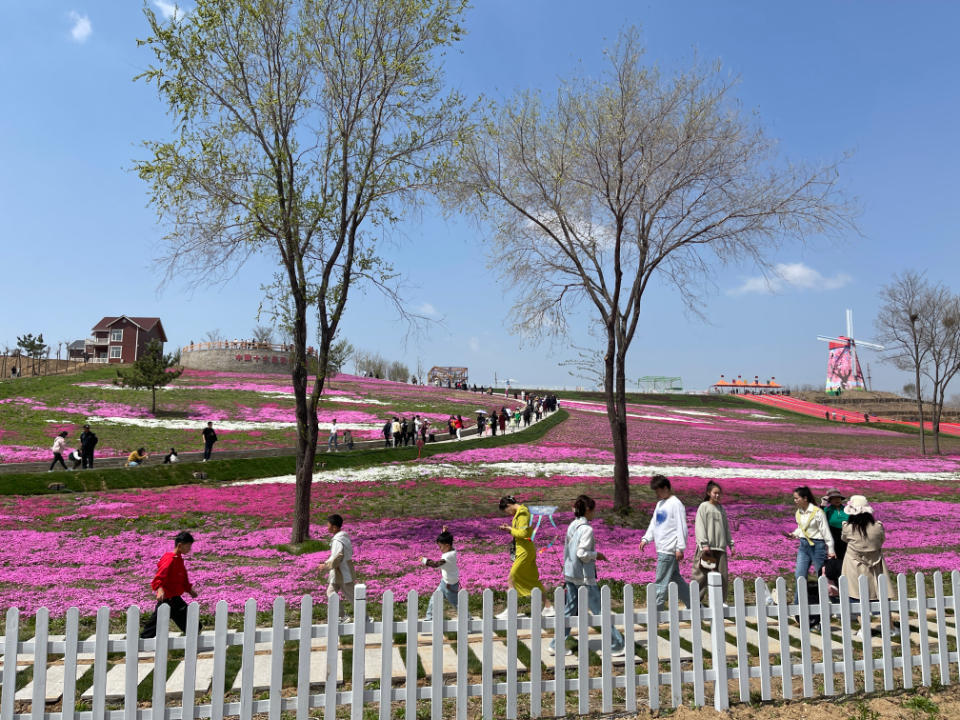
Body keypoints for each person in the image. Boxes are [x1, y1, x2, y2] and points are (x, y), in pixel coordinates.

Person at [549, 495, 626, 657]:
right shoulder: (587, 529)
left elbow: (569, 551)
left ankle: (556, 643)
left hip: (570, 574)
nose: (595, 513)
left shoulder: (572, 526)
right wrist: (597, 555)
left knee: (569, 610)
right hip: (584, 578)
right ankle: (618, 643)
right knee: (600, 610)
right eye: (594, 510)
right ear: (588, 510)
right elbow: (582, 554)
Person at [841, 495, 893, 638]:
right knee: (881, 596)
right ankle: (891, 627)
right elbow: (882, 540)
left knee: (855, 596)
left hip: (854, 566)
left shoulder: (848, 528)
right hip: (875, 565)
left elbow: (844, 539)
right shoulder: (878, 527)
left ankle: (864, 628)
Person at [496, 496, 555, 618]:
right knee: (533, 581)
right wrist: (510, 528)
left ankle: (511, 610)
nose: (507, 513)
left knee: (511, 578)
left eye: (506, 511)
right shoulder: (520, 512)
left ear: (508, 505)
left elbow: (523, 533)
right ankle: (549, 607)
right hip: (524, 549)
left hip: (524, 551)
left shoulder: (522, 513)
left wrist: (509, 529)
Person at [640, 475, 691, 611]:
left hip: (669, 550)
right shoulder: (660, 504)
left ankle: (656, 611)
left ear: (665, 488)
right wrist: (646, 538)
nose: (656, 494)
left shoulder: (676, 504)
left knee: (660, 582)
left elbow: (682, 527)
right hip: (662, 548)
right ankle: (695, 606)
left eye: (658, 490)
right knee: (677, 581)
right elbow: (654, 523)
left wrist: (680, 547)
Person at [141, 531, 199, 638]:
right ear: (180, 545)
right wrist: (159, 589)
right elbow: (160, 575)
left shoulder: (179, 559)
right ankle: (143, 640)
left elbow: (182, 577)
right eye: (188, 546)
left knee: (193, 624)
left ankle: (192, 639)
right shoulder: (170, 559)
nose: (190, 549)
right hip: (167, 598)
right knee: (153, 626)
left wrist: (189, 590)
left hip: (175, 598)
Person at [786, 486, 835, 602]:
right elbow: (801, 528)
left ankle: (830, 602)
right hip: (803, 546)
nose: (795, 501)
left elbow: (825, 532)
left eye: (797, 498)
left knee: (822, 577)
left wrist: (831, 549)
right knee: (800, 575)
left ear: (805, 498)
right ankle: (798, 604)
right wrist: (794, 534)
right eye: (794, 498)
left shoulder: (818, 512)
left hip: (818, 546)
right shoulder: (799, 513)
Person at [691, 481, 735, 605]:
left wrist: (730, 544)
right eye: (715, 493)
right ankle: (695, 601)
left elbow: (726, 528)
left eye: (719, 493)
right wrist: (704, 544)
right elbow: (699, 526)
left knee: (722, 576)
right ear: (708, 493)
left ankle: (720, 601)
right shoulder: (704, 507)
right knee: (701, 575)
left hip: (720, 548)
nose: (717, 495)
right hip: (707, 548)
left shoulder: (721, 509)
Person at [321, 514, 356, 622]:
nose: (327, 527)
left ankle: (365, 618)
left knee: (353, 597)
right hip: (338, 573)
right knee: (331, 592)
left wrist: (325, 566)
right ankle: (341, 616)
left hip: (343, 573)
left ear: (335, 527)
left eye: (328, 525)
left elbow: (338, 557)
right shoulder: (342, 538)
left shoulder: (338, 540)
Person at [421, 527, 460, 622]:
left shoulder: (448, 556)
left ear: (447, 546)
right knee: (434, 599)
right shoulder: (452, 549)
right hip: (444, 582)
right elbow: (449, 541)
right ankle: (429, 618)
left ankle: (467, 619)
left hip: (450, 585)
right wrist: (444, 533)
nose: (440, 549)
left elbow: (436, 565)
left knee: (456, 604)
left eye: (440, 546)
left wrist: (424, 560)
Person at [821, 488, 849, 563]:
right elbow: (819, 518)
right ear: (829, 500)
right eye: (834, 498)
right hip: (833, 536)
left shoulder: (847, 509)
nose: (837, 500)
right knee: (836, 558)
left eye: (838, 498)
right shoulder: (827, 510)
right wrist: (823, 505)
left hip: (847, 536)